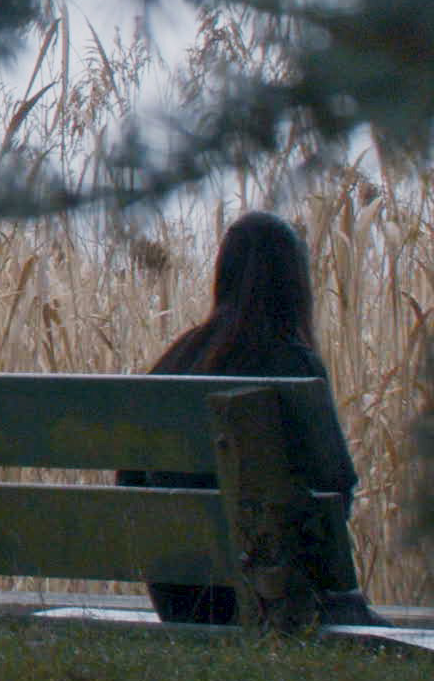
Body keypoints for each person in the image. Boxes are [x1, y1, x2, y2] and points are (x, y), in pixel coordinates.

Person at [126, 212, 379, 627]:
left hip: (181, 600)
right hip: (272, 600)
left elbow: (130, 483)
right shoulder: (292, 362)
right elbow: (335, 487)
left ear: (222, 276)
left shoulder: (177, 360)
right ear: (294, 284)